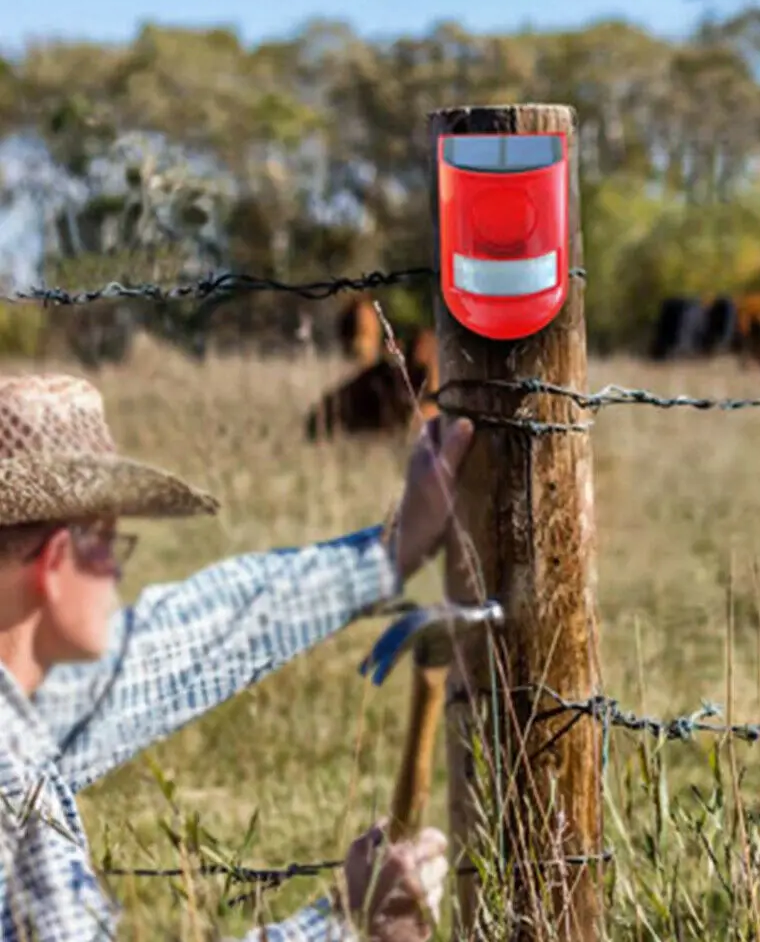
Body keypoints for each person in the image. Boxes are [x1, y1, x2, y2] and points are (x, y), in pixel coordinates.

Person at [0, 372, 476, 942]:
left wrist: (388, 555)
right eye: (108, 543)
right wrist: (345, 927)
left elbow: (187, 641)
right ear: (55, 565)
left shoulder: (25, 710)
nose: (118, 572)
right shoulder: (15, 790)